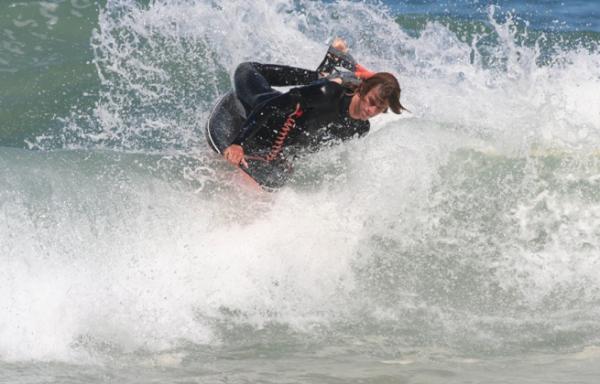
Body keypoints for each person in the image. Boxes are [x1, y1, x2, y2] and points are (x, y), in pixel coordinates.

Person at [219, 38, 407, 189]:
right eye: (371, 102)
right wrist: (238, 144)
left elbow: (313, 140)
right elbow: (270, 106)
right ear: (362, 90)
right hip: (261, 100)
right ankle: (327, 74)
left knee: (314, 90)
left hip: (293, 115)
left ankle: (328, 69)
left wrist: (289, 158)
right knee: (248, 71)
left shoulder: (359, 128)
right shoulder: (328, 94)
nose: (371, 111)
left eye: (380, 109)